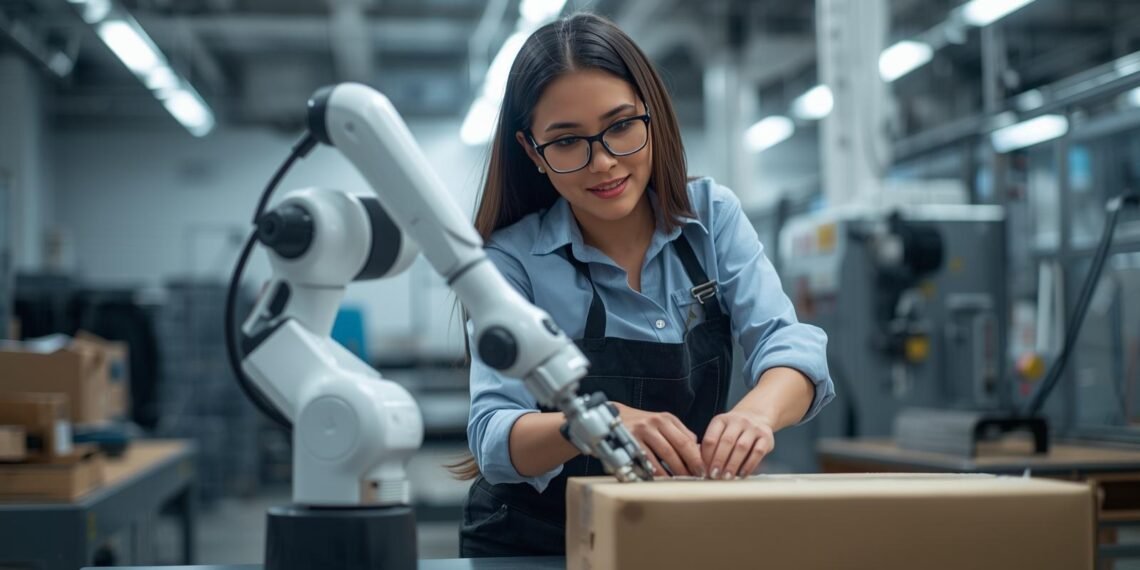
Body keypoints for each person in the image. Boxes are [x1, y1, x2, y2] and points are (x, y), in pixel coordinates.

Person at [453, 13, 835, 558]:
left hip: (666, 533)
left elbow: (789, 345)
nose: (604, 162)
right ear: (533, 151)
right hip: (531, 542)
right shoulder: (508, 262)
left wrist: (756, 414)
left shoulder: (711, 217)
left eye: (621, 126)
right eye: (567, 142)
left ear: (652, 114)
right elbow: (494, 435)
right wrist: (594, 424)